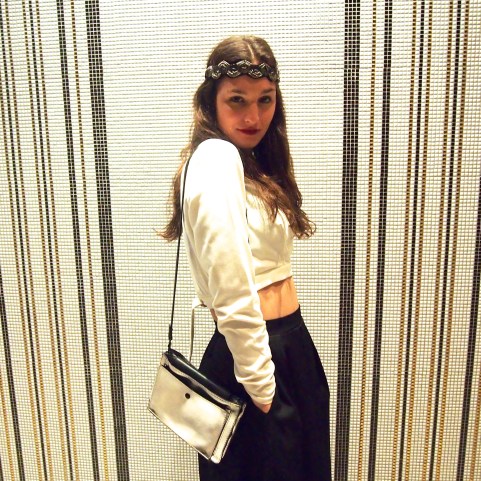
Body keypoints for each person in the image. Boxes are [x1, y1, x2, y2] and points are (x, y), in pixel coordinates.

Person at [162, 35, 331, 481]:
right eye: (237, 100)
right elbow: (232, 287)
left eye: (265, 99)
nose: (253, 116)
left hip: (283, 349)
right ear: (211, 102)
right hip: (257, 358)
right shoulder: (217, 157)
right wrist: (264, 390)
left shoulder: (251, 163)